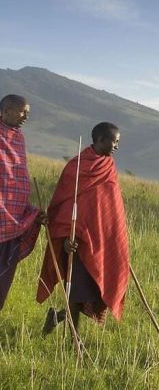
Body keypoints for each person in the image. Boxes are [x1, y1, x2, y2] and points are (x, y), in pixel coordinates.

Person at [38, 122, 130, 333]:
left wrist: (113, 236)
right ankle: (74, 338)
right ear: (98, 139)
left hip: (99, 240)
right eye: (113, 141)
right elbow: (62, 205)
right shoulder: (76, 167)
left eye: (118, 142)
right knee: (76, 289)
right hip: (74, 241)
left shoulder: (108, 167)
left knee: (90, 290)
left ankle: (58, 316)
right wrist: (67, 236)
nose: (116, 146)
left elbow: (109, 207)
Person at [0, 94, 44, 310]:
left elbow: (17, 180)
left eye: (28, 111)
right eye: (22, 111)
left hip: (12, 219)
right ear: (5, 111)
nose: (26, 115)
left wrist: (32, 213)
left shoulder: (18, 138)